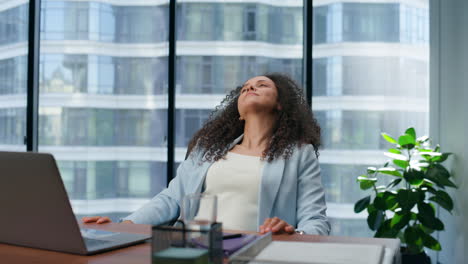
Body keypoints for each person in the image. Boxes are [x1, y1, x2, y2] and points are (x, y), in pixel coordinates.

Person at [83, 73, 330, 235]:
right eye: (245, 87)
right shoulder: (207, 149)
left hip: (256, 255)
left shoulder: (300, 154)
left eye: (261, 85)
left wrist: (294, 235)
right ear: (239, 111)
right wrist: (125, 226)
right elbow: (171, 199)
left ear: (280, 104)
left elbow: (316, 220)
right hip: (195, 251)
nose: (250, 87)